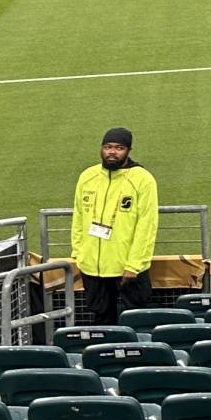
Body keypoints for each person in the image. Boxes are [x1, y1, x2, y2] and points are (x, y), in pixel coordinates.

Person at [72, 127, 159, 325]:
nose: (112, 152)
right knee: (101, 319)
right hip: (92, 267)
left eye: (119, 148)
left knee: (138, 318)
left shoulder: (143, 179)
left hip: (127, 268)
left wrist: (134, 264)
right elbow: (78, 217)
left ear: (129, 150)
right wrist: (79, 254)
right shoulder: (87, 176)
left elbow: (147, 225)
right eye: (108, 147)